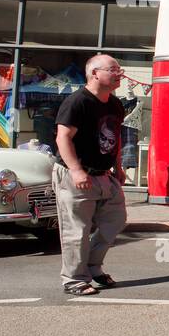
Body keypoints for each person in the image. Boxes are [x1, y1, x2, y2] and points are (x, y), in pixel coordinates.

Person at [53, 55, 128, 296]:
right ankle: (73, 279)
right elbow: (63, 137)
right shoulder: (78, 102)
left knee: (114, 221)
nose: (119, 73)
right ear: (94, 73)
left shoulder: (114, 104)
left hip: (104, 175)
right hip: (77, 173)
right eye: (113, 69)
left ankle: (93, 266)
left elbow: (114, 137)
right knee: (77, 229)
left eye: (119, 69)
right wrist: (76, 170)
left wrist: (118, 166)